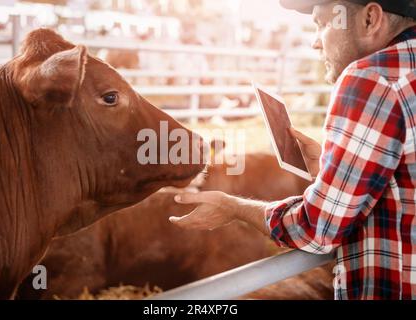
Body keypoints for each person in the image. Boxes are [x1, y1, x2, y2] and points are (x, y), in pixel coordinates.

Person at [169, 0, 416, 300]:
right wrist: (334, 168)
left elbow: (317, 229)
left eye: (322, 24)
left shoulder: (370, 78)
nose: (315, 42)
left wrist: (234, 207)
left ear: (370, 19)